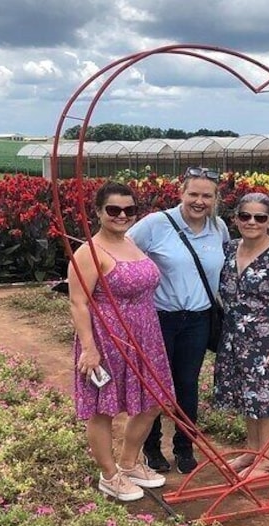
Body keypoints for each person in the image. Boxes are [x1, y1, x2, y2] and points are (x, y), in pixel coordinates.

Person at [68, 181, 174, 501]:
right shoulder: (89, 251)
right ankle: (109, 475)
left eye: (129, 210)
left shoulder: (131, 242)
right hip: (107, 336)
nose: (122, 215)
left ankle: (128, 463)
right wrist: (89, 348)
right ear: (99, 212)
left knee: (154, 400)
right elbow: (78, 302)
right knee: (103, 409)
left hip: (145, 333)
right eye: (113, 210)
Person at [128, 166, 230, 474]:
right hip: (159, 317)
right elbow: (119, 248)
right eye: (193, 194)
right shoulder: (157, 224)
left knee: (187, 384)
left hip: (199, 318)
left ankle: (185, 447)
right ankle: (152, 448)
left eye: (207, 196)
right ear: (181, 193)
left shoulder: (219, 227)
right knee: (156, 385)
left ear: (215, 199)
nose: (199, 201)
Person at [212, 192, 269, 478]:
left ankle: (266, 461)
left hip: (267, 341)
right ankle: (252, 451)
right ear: (236, 218)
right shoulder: (230, 249)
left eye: (260, 217)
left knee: (267, 401)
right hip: (235, 339)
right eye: (245, 216)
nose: (252, 222)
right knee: (248, 397)